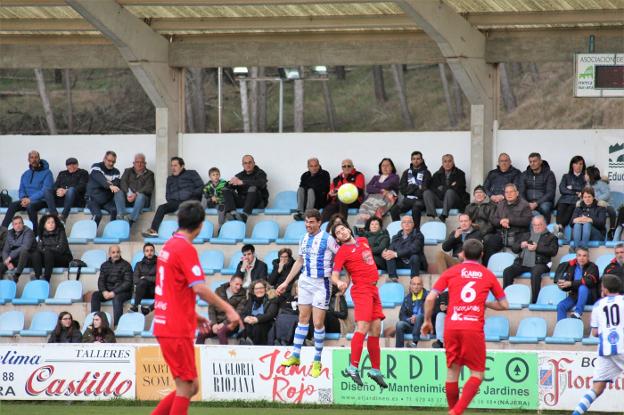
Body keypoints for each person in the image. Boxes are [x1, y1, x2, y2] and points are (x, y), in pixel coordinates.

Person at [151, 200, 241, 415]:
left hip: (167, 322)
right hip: (175, 328)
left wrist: (192, 314)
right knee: (186, 387)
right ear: (201, 225)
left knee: (192, 386)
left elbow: (172, 288)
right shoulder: (185, 248)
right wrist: (228, 308)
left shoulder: (169, 245)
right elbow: (199, 288)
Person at [421, 239, 509, 415]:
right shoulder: (487, 274)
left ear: (462, 254)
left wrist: (427, 320)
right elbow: (505, 305)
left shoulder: (452, 271)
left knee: (452, 372)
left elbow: (430, 298)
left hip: (452, 326)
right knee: (477, 373)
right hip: (472, 327)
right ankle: (456, 412)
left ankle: (453, 410)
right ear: (482, 255)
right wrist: (486, 304)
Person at [276, 209, 338, 378]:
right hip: (305, 281)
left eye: (311, 222)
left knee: (317, 323)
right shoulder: (303, 238)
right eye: (306, 221)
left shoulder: (328, 239)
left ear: (319, 222)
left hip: (322, 283)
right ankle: (295, 355)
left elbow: (341, 257)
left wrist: (341, 278)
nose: (308, 225)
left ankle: (317, 360)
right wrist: (286, 282)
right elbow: (300, 261)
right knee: (303, 318)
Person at [331, 223, 388, 389]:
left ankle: (375, 370)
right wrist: (339, 282)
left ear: (349, 229)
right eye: (338, 232)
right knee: (362, 327)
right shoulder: (342, 251)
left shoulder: (363, 240)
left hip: (373, 289)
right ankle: (353, 367)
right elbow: (335, 275)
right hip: (362, 290)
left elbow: (352, 269)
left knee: (376, 329)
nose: (342, 232)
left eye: (343, 229)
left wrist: (347, 279)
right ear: (337, 238)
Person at [572, 274, 624, 415]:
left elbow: (594, 332)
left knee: (597, 388)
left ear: (605, 290)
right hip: (622, 347)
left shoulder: (598, 305)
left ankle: (576, 413)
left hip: (605, 350)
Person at [502, 215, 558, 304]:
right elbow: (514, 248)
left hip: (540, 263)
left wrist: (537, 248)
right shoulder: (526, 235)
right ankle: (503, 299)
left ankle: (535, 301)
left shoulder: (551, 237)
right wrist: (520, 245)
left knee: (536, 272)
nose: (537, 227)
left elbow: (553, 251)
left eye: (539, 225)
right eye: (535, 225)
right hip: (523, 262)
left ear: (544, 225)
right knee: (507, 271)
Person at [142, 157, 203, 237]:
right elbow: (167, 194)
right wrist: (171, 201)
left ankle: (182, 232)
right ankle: (153, 230)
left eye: (175, 165)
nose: (173, 168)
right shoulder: (170, 179)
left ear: (182, 166)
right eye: (172, 166)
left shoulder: (191, 173)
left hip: (191, 200)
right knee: (161, 208)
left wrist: (191, 195)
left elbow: (201, 186)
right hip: (176, 202)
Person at [1, 150, 53, 233]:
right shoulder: (25, 174)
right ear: (28, 160)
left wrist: (30, 199)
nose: (34, 159)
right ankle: (2, 231)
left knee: (30, 206)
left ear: (39, 159)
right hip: (26, 200)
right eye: (31, 158)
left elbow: (46, 190)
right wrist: (24, 198)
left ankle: (35, 233)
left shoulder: (47, 173)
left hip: (42, 201)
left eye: (36, 157)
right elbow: (21, 189)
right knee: (13, 205)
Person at [483, 183, 532, 265]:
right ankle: (487, 269)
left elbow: (526, 220)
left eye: (511, 192)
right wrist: (501, 221)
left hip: (518, 235)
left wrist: (509, 221)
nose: (509, 194)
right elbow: (493, 219)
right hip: (502, 234)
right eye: (506, 192)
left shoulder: (524, 205)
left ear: (517, 193)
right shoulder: (501, 204)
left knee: (523, 246)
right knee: (489, 242)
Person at [197, 275, 246, 345]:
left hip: (232, 324)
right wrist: (214, 324)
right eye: (237, 284)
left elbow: (238, 312)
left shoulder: (243, 296)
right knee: (202, 332)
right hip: (216, 322)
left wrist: (223, 324)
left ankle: (224, 354)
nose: (239, 287)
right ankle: (197, 354)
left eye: (240, 285)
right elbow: (211, 307)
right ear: (231, 282)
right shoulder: (219, 290)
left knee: (221, 331)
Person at [90, 245, 133, 326]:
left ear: (120, 253)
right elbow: (101, 280)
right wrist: (103, 291)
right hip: (108, 291)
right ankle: (95, 323)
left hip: (123, 292)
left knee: (117, 298)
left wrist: (114, 292)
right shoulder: (104, 265)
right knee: (95, 295)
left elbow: (128, 283)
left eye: (118, 252)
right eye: (113, 252)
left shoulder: (126, 265)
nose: (116, 254)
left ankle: (117, 326)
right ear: (109, 254)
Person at [555, 247, 600, 321]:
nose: (581, 258)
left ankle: (578, 312)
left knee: (583, 287)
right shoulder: (572, 267)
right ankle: (561, 328)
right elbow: (569, 285)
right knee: (561, 306)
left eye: (584, 256)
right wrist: (563, 285)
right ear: (576, 257)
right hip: (574, 295)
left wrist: (570, 283)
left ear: (588, 257)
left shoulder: (593, 267)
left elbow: (589, 281)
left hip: (589, 296)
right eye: (579, 255)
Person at [222, 155, 269, 223]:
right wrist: (230, 183)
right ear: (243, 165)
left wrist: (243, 182)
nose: (248, 165)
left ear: (254, 163)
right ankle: (233, 213)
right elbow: (228, 187)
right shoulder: (240, 175)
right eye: (245, 163)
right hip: (243, 201)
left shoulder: (261, 173)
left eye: (250, 162)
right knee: (225, 189)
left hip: (257, 202)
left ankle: (244, 215)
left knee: (253, 188)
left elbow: (261, 183)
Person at [354, 157, 399, 229]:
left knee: (375, 210)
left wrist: (375, 185)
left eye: (387, 165)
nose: (385, 167)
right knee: (363, 207)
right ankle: (360, 229)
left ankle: (370, 229)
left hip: (386, 198)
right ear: (380, 167)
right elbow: (368, 188)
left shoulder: (395, 177)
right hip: (372, 197)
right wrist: (381, 190)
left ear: (392, 167)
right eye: (383, 165)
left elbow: (388, 185)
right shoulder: (376, 177)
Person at [423, 154, 469, 223]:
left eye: (449, 161)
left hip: (454, 201)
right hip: (440, 200)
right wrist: (450, 186)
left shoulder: (460, 174)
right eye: (445, 161)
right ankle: (433, 215)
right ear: (442, 163)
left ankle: (443, 215)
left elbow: (460, 190)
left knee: (450, 192)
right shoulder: (437, 174)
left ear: (453, 162)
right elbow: (433, 189)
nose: (447, 164)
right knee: (427, 192)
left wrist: (442, 188)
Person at [390, 151, 431, 227]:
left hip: (420, 200)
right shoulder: (406, 172)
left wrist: (410, 188)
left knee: (415, 209)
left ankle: (415, 232)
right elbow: (402, 189)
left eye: (418, 159)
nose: (416, 161)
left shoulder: (426, 173)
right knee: (394, 210)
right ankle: (400, 231)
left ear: (422, 160)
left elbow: (424, 190)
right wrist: (416, 187)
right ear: (411, 160)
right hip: (407, 200)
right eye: (414, 159)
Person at [44, 157, 88, 223]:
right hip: (61, 200)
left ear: (77, 165)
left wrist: (66, 191)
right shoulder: (62, 173)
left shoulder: (83, 172)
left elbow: (82, 186)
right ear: (66, 166)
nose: (72, 166)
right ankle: (54, 215)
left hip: (75, 200)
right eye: (69, 165)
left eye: (74, 164)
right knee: (47, 190)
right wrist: (59, 190)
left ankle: (64, 216)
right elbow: (55, 186)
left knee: (71, 190)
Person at [382, 215, 426, 282]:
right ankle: (393, 278)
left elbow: (414, 249)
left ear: (413, 224)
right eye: (404, 222)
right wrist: (385, 253)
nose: (407, 224)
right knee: (389, 256)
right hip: (401, 262)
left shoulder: (418, 235)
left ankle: (414, 280)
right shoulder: (396, 237)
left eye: (409, 222)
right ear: (401, 225)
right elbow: (391, 249)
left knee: (415, 257)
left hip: (414, 263)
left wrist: (396, 254)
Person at [116, 153, 155, 227]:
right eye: (137, 162)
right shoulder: (127, 171)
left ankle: (131, 218)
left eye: (142, 162)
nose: (139, 164)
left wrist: (136, 194)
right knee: (118, 192)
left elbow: (149, 188)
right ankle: (121, 215)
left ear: (145, 163)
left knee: (141, 196)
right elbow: (122, 182)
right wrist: (128, 193)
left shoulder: (150, 174)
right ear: (134, 163)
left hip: (141, 201)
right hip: (128, 198)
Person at [31, 214, 72, 282]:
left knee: (48, 252)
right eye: (48, 222)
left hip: (63, 258)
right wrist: (52, 248)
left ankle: (46, 279)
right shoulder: (41, 234)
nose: (51, 224)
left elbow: (61, 249)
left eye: (53, 222)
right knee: (36, 254)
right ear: (44, 225)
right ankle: (38, 277)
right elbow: (39, 248)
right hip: (49, 259)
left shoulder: (61, 232)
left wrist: (47, 249)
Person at [86, 150, 122, 226]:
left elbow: (116, 184)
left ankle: (111, 232)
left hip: (106, 200)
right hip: (93, 199)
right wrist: (108, 185)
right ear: (104, 158)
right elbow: (99, 178)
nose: (111, 163)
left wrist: (107, 184)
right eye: (109, 160)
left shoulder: (116, 172)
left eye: (113, 162)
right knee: (98, 215)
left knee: (114, 211)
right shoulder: (96, 166)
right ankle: (91, 235)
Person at [519, 152, 556, 223]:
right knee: (520, 207)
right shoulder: (524, 174)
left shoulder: (549, 174)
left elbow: (550, 193)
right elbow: (521, 191)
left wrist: (536, 203)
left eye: (535, 161)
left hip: (543, 202)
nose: (532, 163)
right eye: (530, 162)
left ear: (540, 161)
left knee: (545, 208)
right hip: (528, 202)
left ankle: (545, 230)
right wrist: (527, 204)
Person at [240, 279, 278, 345]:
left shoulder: (272, 298)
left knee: (257, 327)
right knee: (246, 326)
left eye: (261, 288)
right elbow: (243, 313)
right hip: (251, 324)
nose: (259, 290)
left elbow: (271, 314)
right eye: (256, 289)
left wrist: (256, 319)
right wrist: (246, 318)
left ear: (266, 289)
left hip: (266, 324)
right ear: (253, 291)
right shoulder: (251, 300)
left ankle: (252, 345)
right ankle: (246, 344)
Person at [556, 155, 586, 233]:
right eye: (576, 163)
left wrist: (571, 187)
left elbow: (584, 190)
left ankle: (560, 227)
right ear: (572, 165)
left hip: (576, 200)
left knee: (571, 208)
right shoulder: (566, 176)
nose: (578, 166)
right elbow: (562, 189)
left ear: (583, 165)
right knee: (561, 206)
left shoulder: (585, 177)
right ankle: (559, 227)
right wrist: (575, 192)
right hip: (564, 199)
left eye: (580, 164)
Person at [395, 276, 428, 348]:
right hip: (412, 325)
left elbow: (433, 313)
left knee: (419, 316)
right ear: (410, 286)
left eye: (418, 284)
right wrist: (409, 320)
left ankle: (414, 343)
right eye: (414, 284)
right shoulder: (407, 298)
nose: (416, 287)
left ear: (422, 285)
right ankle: (398, 349)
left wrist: (418, 318)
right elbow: (401, 315)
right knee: (399, 324)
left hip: (424, 326)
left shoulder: (428, 296)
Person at [0, 216, 36, 282]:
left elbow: (25, 247)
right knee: (1, 265)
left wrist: (10, 257)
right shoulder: (9, 233)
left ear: (23, 224)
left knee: (24, 251)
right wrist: (7, 263)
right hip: (14, 259)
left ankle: (16, 276)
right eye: (15, 224)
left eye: (20, 223)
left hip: (27, 258)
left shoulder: (28, 232)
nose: (18, 225)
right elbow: (5, 251)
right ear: (13, 226)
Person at [586, 165, 617, 239]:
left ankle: (612, 229)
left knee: (611, 210)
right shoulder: (587, 185)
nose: (585, 176)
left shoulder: (601, 183)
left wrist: (596, 199)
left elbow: (607, 194)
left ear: (591, 175)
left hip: (603, 204)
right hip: (592, 205)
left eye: (586, 174)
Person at [129, 242, 157, 315]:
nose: (149, 252)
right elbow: (135, 280)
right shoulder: (139, 264)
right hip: (142, 292)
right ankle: (136, 306)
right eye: (147, 251)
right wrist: (148, 279)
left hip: (155, 291)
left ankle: (147, 309)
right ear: (144, 253)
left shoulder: (160, 264)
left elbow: (160, 279)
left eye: (151, 250)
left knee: (165, 293)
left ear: (154, 252)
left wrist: (145, 277)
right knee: (142, 282)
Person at [274, 280, 300, 346]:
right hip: (286, 317)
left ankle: (284, 341)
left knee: (288, 319)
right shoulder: (290, 298)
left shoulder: (308, 300)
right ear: (295, 288)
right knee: (280, 319)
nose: (300, 289)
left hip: (298, 318)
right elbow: (283, 307)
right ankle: (278, 340)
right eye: (298, 287)